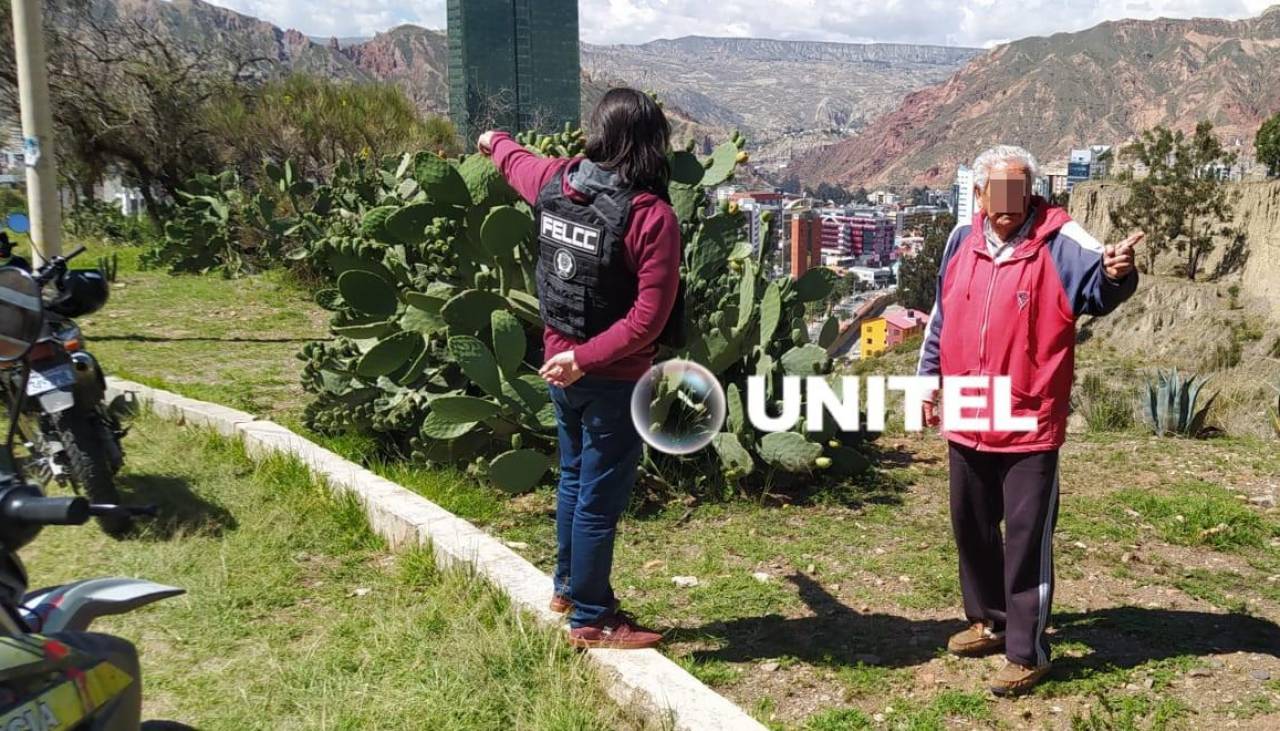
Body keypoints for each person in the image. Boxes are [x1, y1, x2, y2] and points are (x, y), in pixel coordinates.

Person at [917, 145, 1142, 696]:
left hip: (1028, 413)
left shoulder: (1062, 240)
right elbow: (942, 314)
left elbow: (1099, 284)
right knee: (970, 524)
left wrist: (1118, 274)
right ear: (978, 194)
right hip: (970, 405)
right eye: (997, 191)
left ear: (1032, 191)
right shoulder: (959, 240)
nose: (1007, 203)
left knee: (1024, 536)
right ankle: (989, 620)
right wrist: (928, 379)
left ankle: (1027, 649)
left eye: (1017, 190)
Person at [477, 88, 682, 649]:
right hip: (610, 378)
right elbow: (647, 320)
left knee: (572, 480)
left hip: (557, 368)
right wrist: (586, 359)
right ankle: (592, 618)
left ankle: (568, 588)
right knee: (598, 495)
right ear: (651, 143)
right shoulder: (650, 215)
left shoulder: (555, 180)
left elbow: (513, 161)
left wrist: (491, 139)